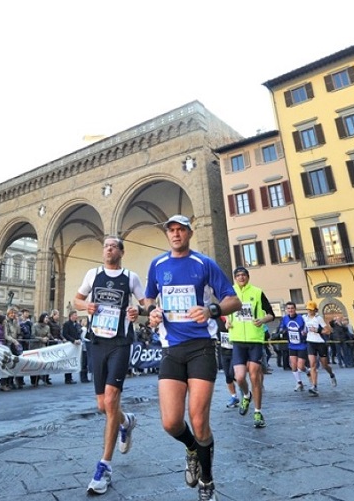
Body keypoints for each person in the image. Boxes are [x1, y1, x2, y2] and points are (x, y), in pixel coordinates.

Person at [145, 214, 240, 501]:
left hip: (201, 346)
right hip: (172, 350)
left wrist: (211, 310)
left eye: (180, 230)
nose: (175, 234)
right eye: (171, 230)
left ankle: (207, 481)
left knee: (199, 421)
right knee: (171, 423)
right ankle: (191, 450)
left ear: (189, 232)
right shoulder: (158, 265)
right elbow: (149, 298)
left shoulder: (203, 263)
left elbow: (232, 300)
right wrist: (152, 312)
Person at [74, 235, 145, 495]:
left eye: (113, 246)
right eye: (105, 246)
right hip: (97, 342)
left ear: (121, 252)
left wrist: (140, 311)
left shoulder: (131, 277)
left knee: (112, 398)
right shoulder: (93, 274)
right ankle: (126, 422)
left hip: (120, 342)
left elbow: (146, 303)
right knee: (103, 406)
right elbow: (77, 300)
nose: (108, 249)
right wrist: (86, 306)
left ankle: (104, 466)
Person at [226, 267, 275, 428]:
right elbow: (224, 311)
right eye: (238, 275)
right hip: (238, 339)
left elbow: (271, 314)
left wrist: (262, 320)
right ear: (234, 278)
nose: (241, 277)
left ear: (248, 277)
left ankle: (258, 412)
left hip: (255, 339)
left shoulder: (257, 292)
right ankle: (246, 395)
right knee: (239, 377)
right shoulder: (229, 292)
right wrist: (226, 321)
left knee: (255, 376)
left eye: (243, 275)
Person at [303, 301, 336, 395]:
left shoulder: (318, 318)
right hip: (310, 342)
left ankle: (331, 374)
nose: (309, 311)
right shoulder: (304, 318)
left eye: (311, 310)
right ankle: (314, 386)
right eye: (308, 309)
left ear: (315, 310)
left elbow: (329, 331)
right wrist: (304, 331)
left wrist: (317, 330)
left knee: (324, 364)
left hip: (320, 343)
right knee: (312, 364)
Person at [277, 302, 308, 392]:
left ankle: (307, 371)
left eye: (292, 308)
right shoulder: (285, 319)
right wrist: (282, 331)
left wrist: (304, 333)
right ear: (287, 310)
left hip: (301, 344)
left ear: (295, 309)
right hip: (292, 344)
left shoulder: (301, 318)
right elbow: (282, 328)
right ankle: (299, 383)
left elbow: (306, 328)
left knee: (300, 366)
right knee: (293, 365)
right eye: (289, 308)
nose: (290, 310)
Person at [30, 313, 53, 387]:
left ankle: (44, 378)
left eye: (48, 318)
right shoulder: (35, 325)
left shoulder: (47, 327)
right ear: (42, 318)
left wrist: (47, 338)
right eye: (46, 318)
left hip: (43, 346)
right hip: (35, 346)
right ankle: (34, 381)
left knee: (44, 363)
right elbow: (32, 336)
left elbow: (48, 335)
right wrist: (41, 339)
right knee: (35, 364)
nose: (47, 319)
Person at [61, 310, 82, 384]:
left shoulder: (76, 324)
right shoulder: (67, 324)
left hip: (76, 344)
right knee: (68, 361)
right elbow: (65, 334)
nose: (76, 316)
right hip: (69, 344)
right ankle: (67, 378)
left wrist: (79, 339)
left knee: (72, 361)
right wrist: (73, 340)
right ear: (71, 316)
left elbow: (78, 333)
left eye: (76, 315)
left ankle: (70, 377)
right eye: (75, 315)